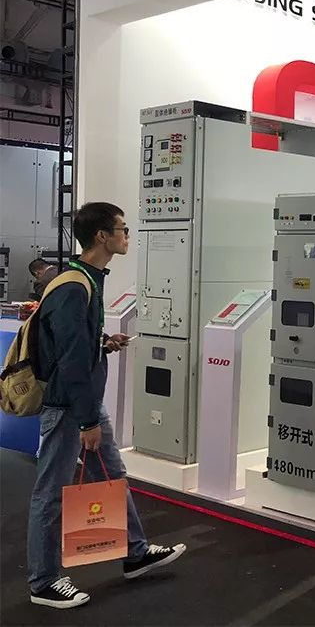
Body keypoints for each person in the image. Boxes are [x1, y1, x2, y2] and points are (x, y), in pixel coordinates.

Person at [27, 203, 185, 609]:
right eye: (122, 229)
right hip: (68, 406)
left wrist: (103, 343)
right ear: (102, 236)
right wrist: (87, 421)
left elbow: (76, 345)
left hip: (83, 404)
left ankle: (135, 552)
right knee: (52, 492)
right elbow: (70, 359)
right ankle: (43, 581)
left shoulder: (87, 279)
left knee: (112, 476)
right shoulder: (73, 286)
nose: (127, 236)